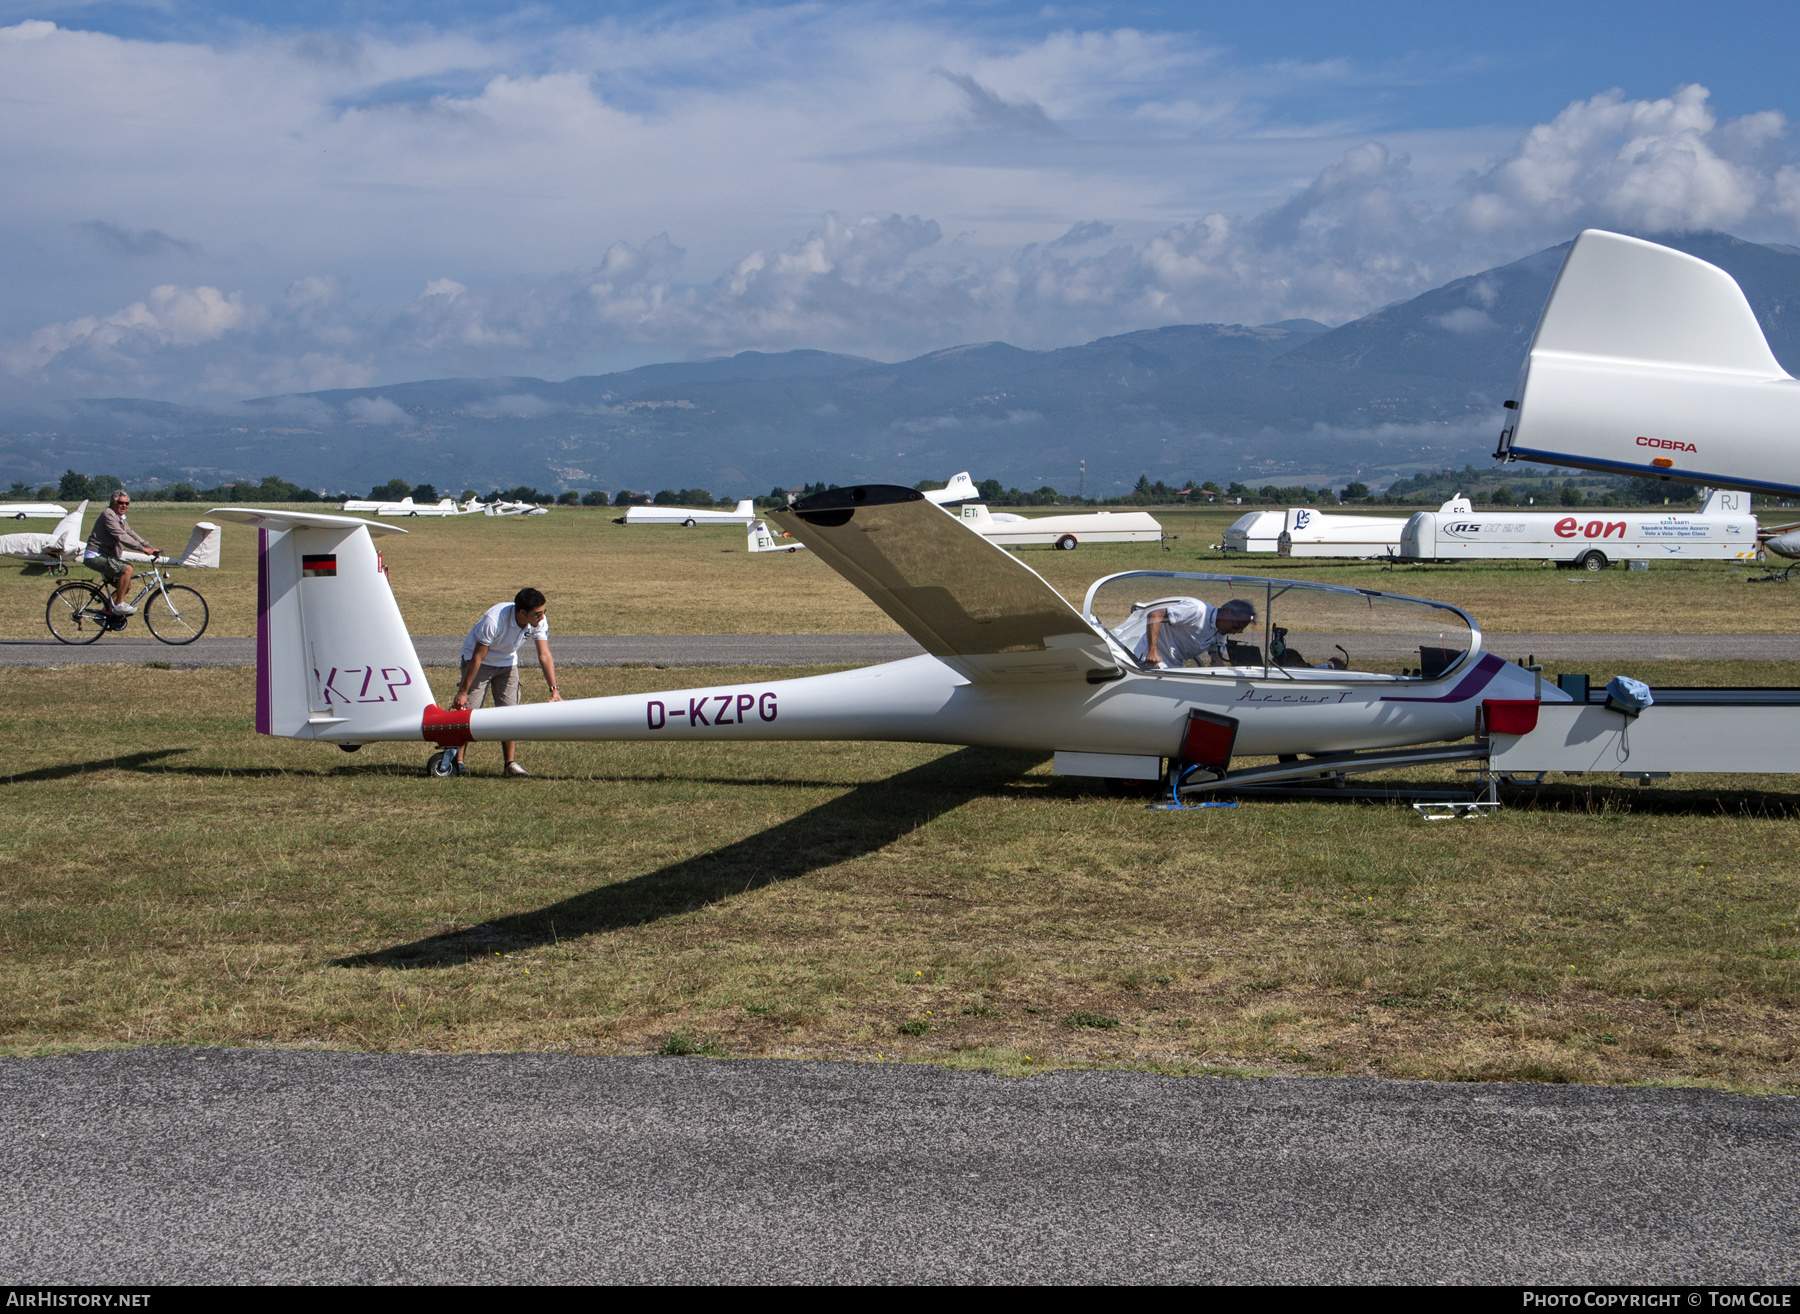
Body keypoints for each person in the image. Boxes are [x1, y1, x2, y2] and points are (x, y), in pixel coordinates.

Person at [452, 587, 562, 776]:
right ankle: (457, 762)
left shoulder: (538, 621)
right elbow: (478, 656)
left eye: (544, 612)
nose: (542, 617)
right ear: (522, 613)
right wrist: (463, 691)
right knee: (468, 712)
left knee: (510, 713)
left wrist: (554, 689)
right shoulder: (494, 620)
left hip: (507, 662)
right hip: (479, 661)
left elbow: (544, 655)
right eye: (537, 614)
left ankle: (509, 765)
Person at [82, 490, 157, 614]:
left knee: (125, 585)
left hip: (105, 555)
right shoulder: (108, 515)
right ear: (113, 502)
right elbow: (121, 535)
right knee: (127, 569)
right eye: (121, 503)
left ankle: (105, 614)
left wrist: (149, 546)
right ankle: (119, 605)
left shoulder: (119, 517)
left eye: (127, 503)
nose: (124, 506)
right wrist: (142, 549)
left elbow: (130, 532)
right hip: (96, 555)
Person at [1132, 596, 1257, 668]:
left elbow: (1217, 657)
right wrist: (1152, 651)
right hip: (1148, 661)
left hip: (1173, 667)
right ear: (1228, 612)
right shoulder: (1197, 610)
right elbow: (1155, 615)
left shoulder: (1219, 632)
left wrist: (1217, 663)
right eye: (1236, 626)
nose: (1234, 632)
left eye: (1239, 631)